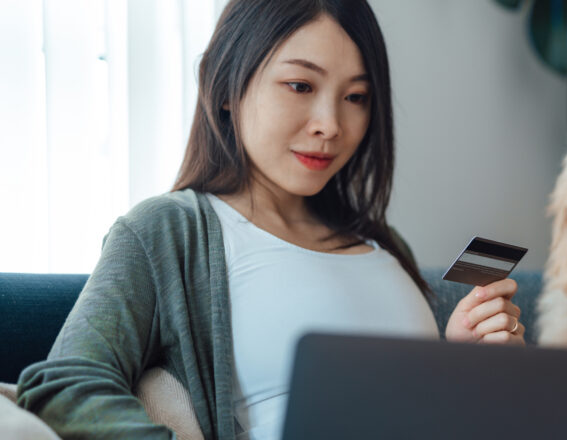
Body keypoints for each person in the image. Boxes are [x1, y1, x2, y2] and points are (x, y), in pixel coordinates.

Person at [16, 0, 525, 438]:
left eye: (356, 97)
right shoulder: (168, 232)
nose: (330, 125)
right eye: (301, 85)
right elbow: (65, 385)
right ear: (225, 87)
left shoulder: (383, 244)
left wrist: (464, 365)